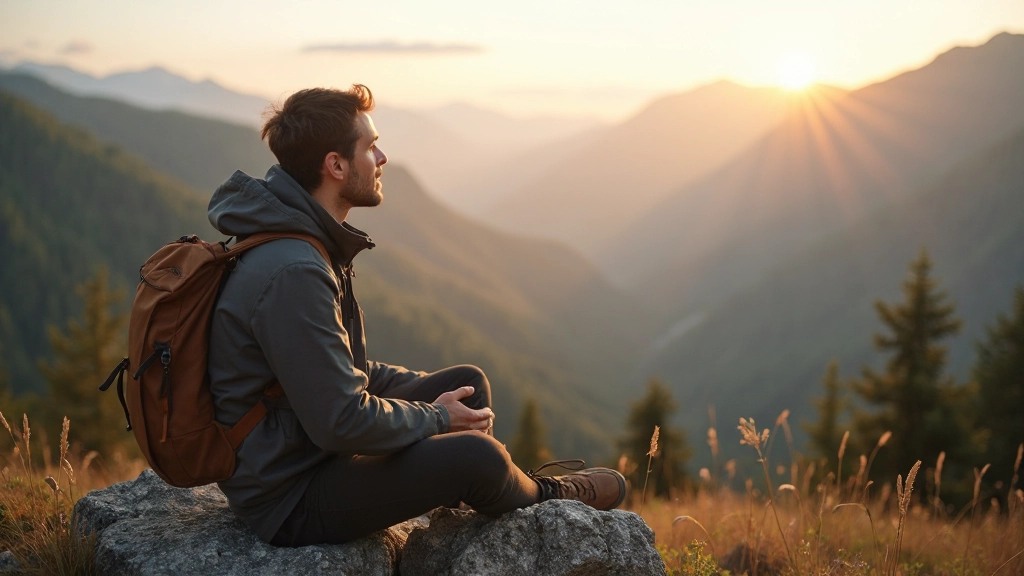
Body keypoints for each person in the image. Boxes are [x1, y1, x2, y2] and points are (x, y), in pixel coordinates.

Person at [206, 84, 627, 547]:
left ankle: (493, 486)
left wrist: (435, 402)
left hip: (305, 446)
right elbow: (340, 420)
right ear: (336, 165)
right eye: (370, 146)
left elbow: (343, 372)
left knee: (466, 385)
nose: (382, 157)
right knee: (475, 455)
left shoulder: (302, 239)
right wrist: (435, 418)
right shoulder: (293, 270)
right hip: (289, 494)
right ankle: (543, 495)